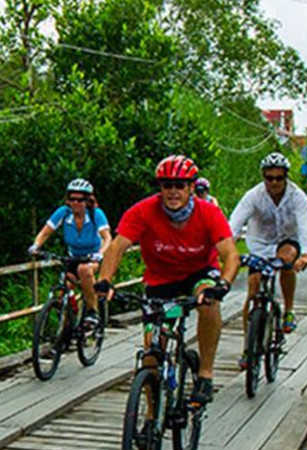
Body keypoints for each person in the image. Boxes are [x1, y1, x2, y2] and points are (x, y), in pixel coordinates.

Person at [95, 155, 238, 405]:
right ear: (160, 188)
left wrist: (223, 284)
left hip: (200, 272)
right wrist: (105, 280)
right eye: (166, 185)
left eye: (180, 185)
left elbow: (230, 254)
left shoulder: (209, 213)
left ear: (191, 187)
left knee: (209, 301)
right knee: (151, 355)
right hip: (161, 280)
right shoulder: (142, 211)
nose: (173, 192)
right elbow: (117, 247)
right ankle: (151, 419)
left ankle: (205, 373)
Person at [228, 153, 307, 365]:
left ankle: (289, 311)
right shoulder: (254, 195)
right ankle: (248, 347)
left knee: (286, 261)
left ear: (286, 178)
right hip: (259, 244)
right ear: (264, 177)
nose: (274, 183)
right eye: (269, 178)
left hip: (286, 240)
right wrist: (227, 249)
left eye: (278, 178)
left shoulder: (297, 196)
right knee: (253, 288)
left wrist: (306, 254)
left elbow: (305, 225)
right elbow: (235, 224)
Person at [28, 177, 111, 329]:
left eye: (80, 200)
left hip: (92, 258)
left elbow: (107, 238)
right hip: (73, 257)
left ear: (88, 200)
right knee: (63, 291)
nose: (76, 203)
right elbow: (45, 232)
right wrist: (36, 246)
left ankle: (93, 312)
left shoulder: (96, 214)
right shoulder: (64, 213)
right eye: (72, 199)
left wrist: (100, 253)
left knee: (84, 270)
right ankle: (66, 331)